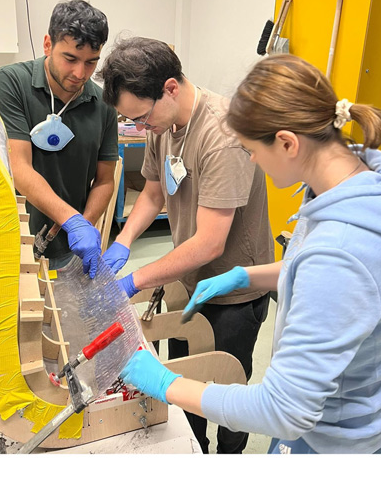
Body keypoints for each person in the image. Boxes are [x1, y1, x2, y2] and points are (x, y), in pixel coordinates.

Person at [117, 54, 381, 454]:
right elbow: (356, 274)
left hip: (336, 440)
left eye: (250, 150)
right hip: (360, 412)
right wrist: (250, 275)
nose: (251, 161)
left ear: (286, 143)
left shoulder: (338, 252)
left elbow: (282, 409)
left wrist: (166, 383)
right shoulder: (370, 187)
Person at [100, 36, 277, 454]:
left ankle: (228, 456)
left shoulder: (221, 134)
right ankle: (192, 452)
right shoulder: (162, 124)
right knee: (184, 378)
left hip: (234, 288)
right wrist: (122, 242)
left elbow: (210, 243)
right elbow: (153, 192)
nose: (141, 128)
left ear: (171, 88)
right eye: (132, 121)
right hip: (187, 277)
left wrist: (134, 281)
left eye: (141, 118)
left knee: (227, 385)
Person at [0, 0, 126, 278]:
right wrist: (73, 221)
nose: (79, 74)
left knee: (62, 318)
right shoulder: (11, 83)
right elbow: (19, 168)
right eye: (70, 59)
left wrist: (84, 228)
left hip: (68, 246)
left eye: (91, 63)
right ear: (48, 44)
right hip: (11, 236)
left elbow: (105, 180)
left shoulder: (103, 104)